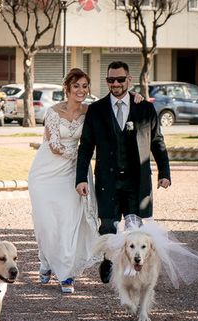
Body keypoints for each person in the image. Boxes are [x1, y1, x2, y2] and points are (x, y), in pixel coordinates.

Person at [75, 61, 171, 284]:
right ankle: (108, 260)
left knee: (135, 228)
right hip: (107, 180)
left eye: (120, 79)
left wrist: (164, 172)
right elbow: (86, 146)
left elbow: (157, 141)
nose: (115, 84)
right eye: (111, 80)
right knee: (107, 226)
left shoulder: (145, 108)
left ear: (129, 80)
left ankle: (133, 268)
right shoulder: (96, 110)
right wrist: (81, 178)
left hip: (136, 181)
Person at [28, 68, 99, 294]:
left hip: (73, 174)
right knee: (47, 222)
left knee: (68, 221)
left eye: (85, 86)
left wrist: (136, 96)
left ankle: (66, 273)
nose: (81, 90)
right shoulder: (52, 112)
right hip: (46, 173)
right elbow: (55, 145)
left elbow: (111, 109)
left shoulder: (91, 112)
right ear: (67, 88)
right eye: (76, 85)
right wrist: (80, 153)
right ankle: (46, 260)